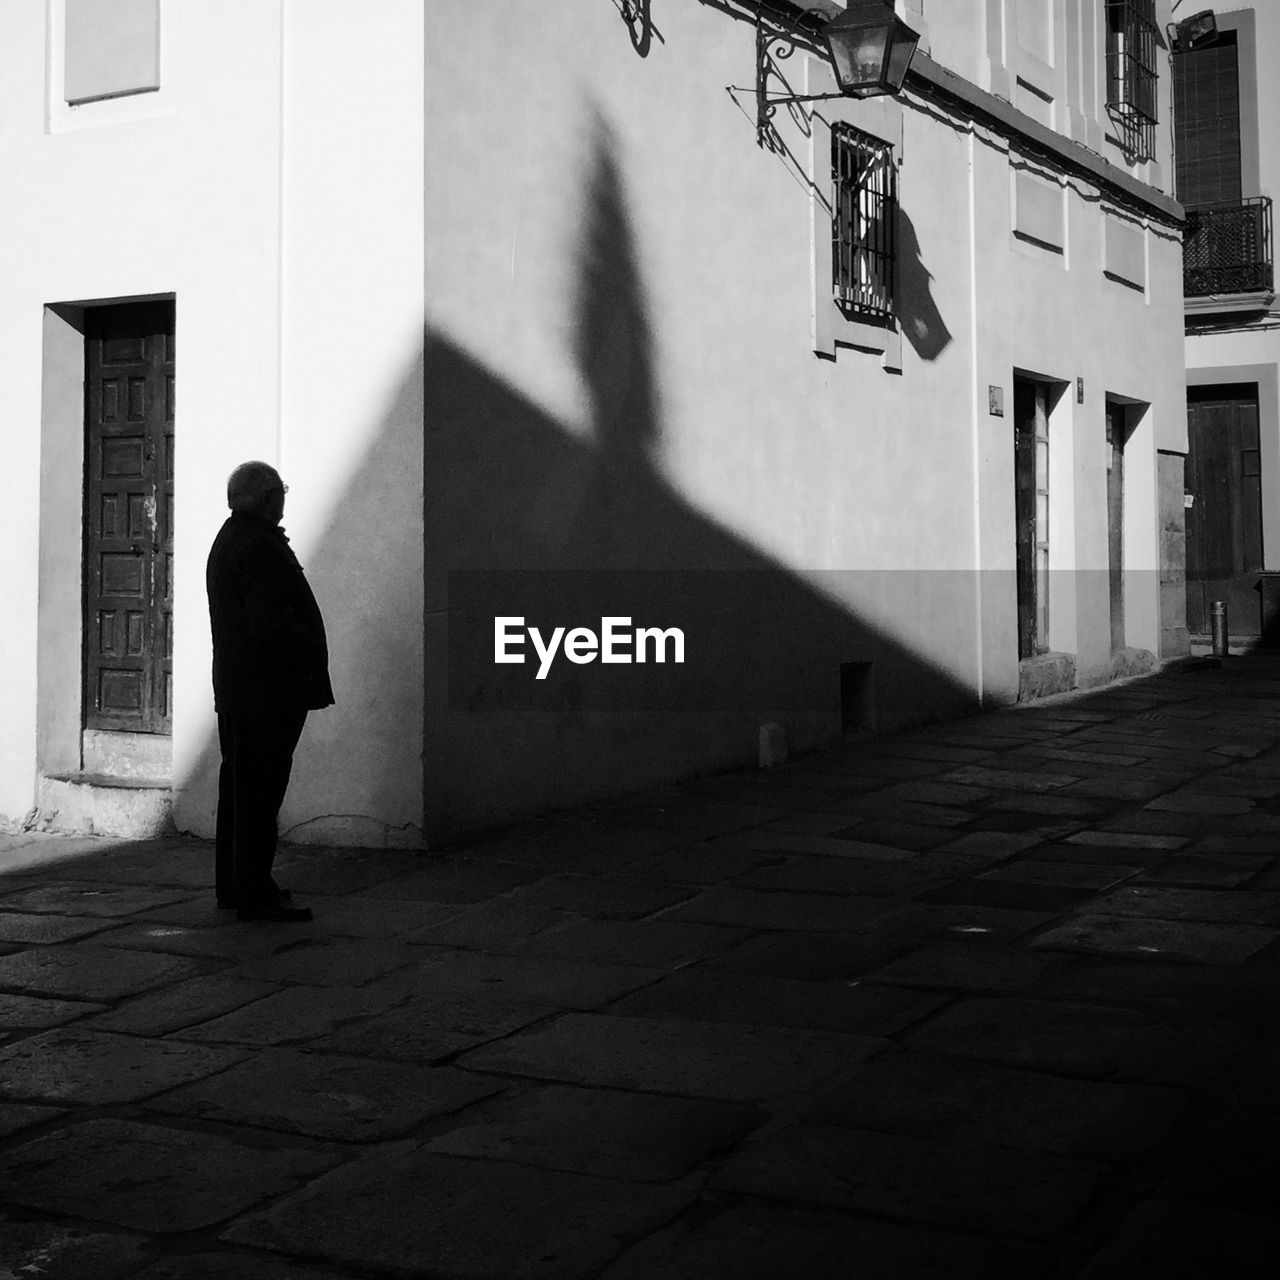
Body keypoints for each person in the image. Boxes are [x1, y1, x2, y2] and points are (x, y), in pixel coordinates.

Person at [206, 461, 334, 922]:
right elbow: (271, 625)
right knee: (259, 793)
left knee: (240, 790)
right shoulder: (258, 546)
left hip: (241, 689)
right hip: (267, 693)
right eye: (281, 491)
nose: (284, 497)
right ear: (266, 499)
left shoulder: (231, 537)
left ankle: (236, 886)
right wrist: (307, 645)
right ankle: (255, 893)